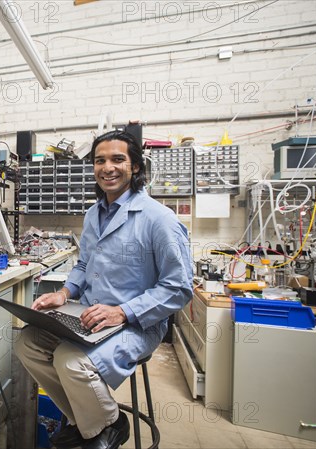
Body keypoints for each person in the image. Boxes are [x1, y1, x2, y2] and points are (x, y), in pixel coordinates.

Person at [15, 130, 193, 449]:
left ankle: (109, 424)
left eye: (117, 159)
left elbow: (178, 288)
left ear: (135, 167)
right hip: (89, 317)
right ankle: (93, 422)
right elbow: (84, 266)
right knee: (27, 342)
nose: (107, 167)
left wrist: (122, 312)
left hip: (138, 323)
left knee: (70, 361)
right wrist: (65, 294)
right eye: (100, 161)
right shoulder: (94, 213)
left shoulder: (159, 220)